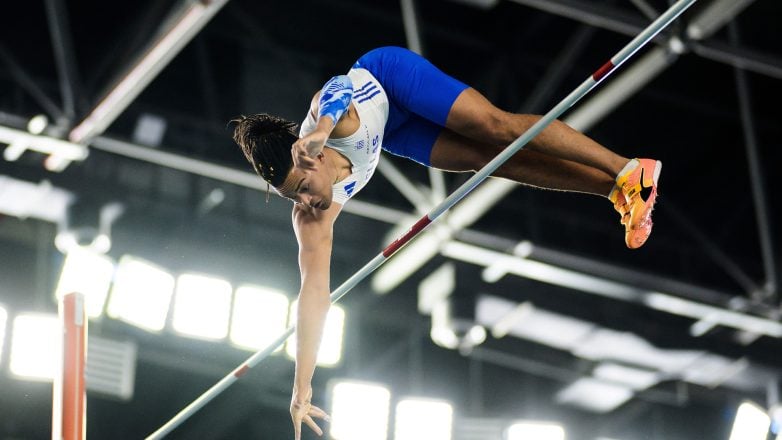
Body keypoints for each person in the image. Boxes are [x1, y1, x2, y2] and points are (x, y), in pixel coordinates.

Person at [231, 46, 660, 439]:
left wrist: (323, 127)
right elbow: (313, 297)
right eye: (294, 198)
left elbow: (339, 87)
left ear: (317, 157)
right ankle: (613, 190)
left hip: (388, 76)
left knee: (496, 128)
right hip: (392, 128)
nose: (307, 202)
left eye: (304, 187)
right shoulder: (310, 218)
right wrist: (302, 387)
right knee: (485, 160)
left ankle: (627, 168)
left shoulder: (325, 126)